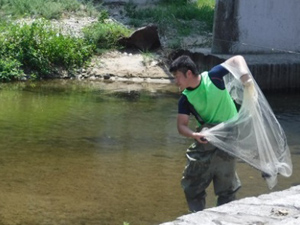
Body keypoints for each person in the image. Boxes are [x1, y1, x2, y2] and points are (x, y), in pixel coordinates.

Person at [169, 54, 253, 212]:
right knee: (192, 184)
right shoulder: (185, 99)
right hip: (206, 136)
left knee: (226, 184)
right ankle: (197, 217)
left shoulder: (213, 77)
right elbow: (182, 126)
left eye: (177, 76)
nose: (176, 81)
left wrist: (244, 76)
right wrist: (194, 135)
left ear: (188, 73)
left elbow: (237, 59)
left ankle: (224, 217)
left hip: (230, 133)